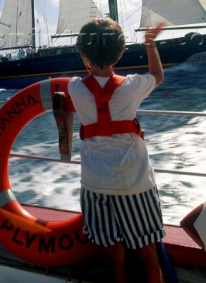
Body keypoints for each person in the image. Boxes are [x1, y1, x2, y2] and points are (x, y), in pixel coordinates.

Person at [68, 17, 165, 283]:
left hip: (95, 184)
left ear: (83, 53)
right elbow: (157, 75)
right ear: (121, 52)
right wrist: (150, 44)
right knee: (147, 254)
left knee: (112, 257)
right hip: (135, 185)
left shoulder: (74, 88)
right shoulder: (133, 86)